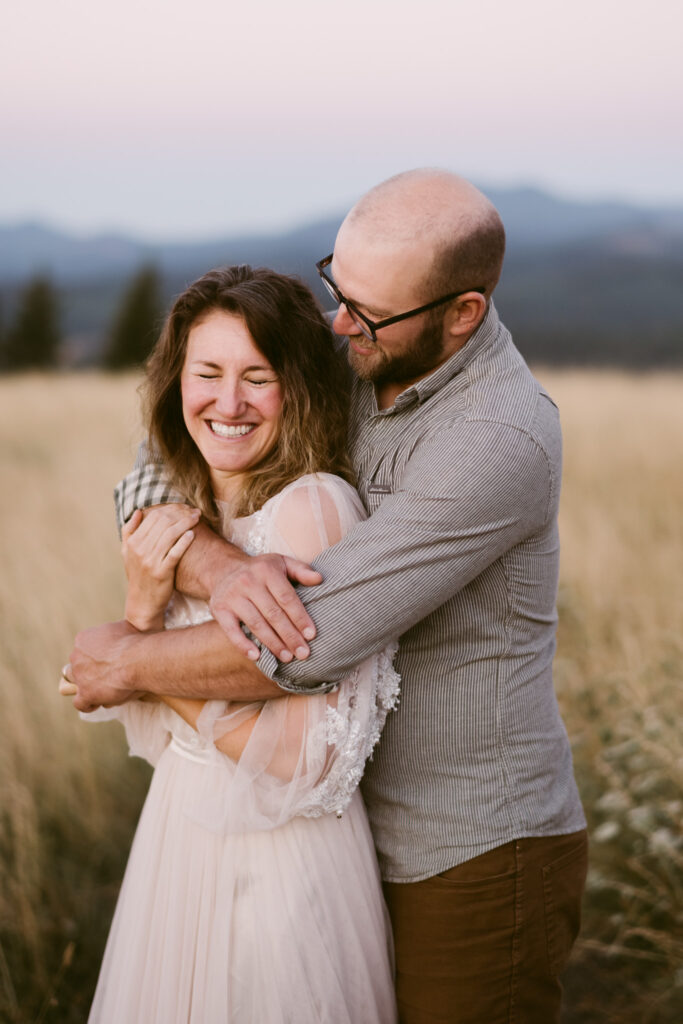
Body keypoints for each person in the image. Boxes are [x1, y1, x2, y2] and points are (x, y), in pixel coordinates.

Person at [69, 169, 588, 1024]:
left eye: (368, 312)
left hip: (462, 851)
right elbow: (156, 465)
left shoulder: (496, 440)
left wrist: (125, 661)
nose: (339, 322)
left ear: (462, 312)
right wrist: (224, 567)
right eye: (334, 288)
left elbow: (305, 642)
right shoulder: (359, 338)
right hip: (320, 827)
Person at [68, 266, 399, 1023]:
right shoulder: (192, 504)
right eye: (207, 372)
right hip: (182, 836)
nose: (227, 402)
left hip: (276, 862)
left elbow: (305, 763)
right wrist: (143, 607)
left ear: (301, 388)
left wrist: (137, 668)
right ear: (174, 380)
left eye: (258, 377)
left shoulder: (313, 510)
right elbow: (163, 744)